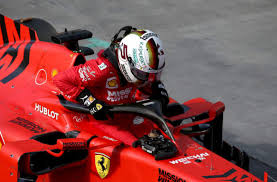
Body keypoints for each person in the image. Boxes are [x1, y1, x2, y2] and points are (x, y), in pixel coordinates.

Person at [53, 26, 169, 120]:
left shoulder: (138, 71)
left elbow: (148, 83)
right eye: (144, 74)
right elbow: (60, 80)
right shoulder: (100, 70)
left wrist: (158, 90)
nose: (148, 79)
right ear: (126, 60)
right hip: (94, 121)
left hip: (121, 114)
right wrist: (90, 102)